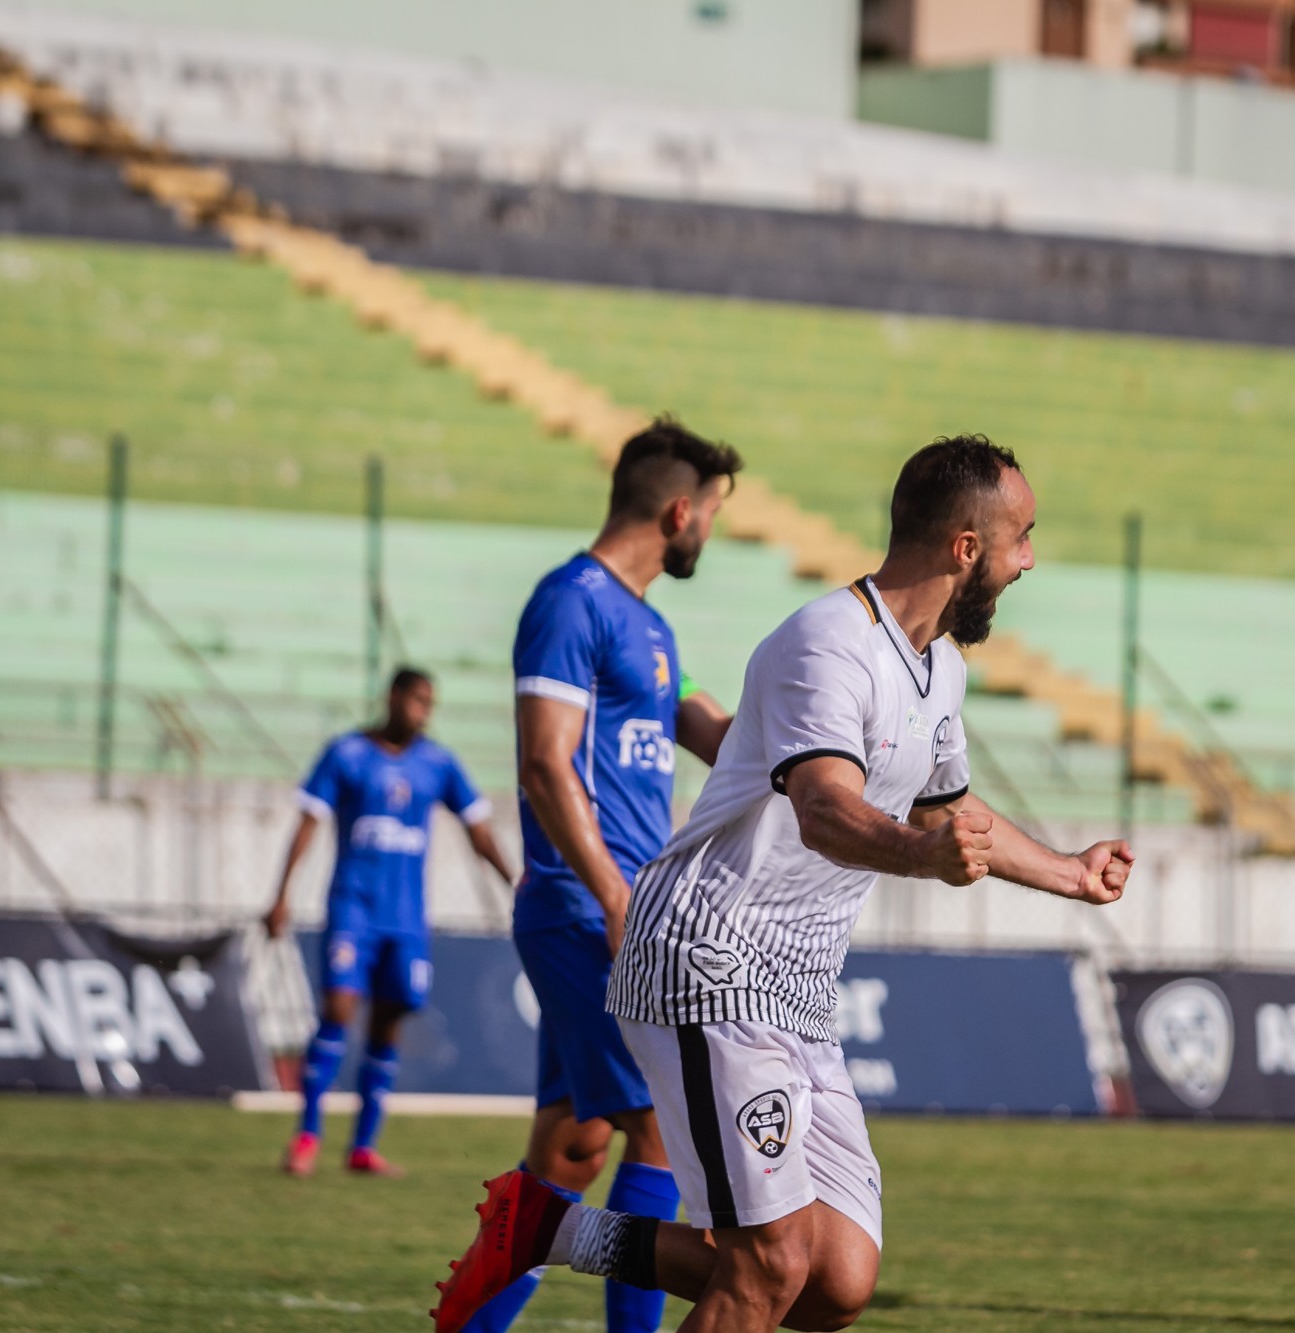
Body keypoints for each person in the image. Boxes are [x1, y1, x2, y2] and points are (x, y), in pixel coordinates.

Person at [430, 435, 1133, 1333]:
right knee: (767, 1263)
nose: (1029, 557)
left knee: (835, 1280)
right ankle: (549, 1226)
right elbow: (824, 810)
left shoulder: (941, 667)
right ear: (966, 547)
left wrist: (1069, 873)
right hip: (705, 956)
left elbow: (945, 808)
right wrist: (927, 857)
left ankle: (548, 1224)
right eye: (1023, 537)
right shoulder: (826, 643)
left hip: (797, 990)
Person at [471, 418, 742, 1333]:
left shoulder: (646, 621)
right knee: (665, 1127)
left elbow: (710, 728)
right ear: (678, 511)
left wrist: (821, 750)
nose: (713, 529)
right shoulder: (570, 601)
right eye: (712, 513)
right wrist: (615, 893)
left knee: (572, 1150)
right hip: (589, 908)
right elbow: (547, 764)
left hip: (614, 909)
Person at [265, 666, 514, 1177]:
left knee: (390, 1021)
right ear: (394, 697)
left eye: (430, 704)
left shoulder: (437, 762)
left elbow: (477, 827)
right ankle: (308, 1134)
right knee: (338, 1009)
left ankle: (363, 1146)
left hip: (406, 920)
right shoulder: (347, 754)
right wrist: (281, 896)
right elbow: (307, 824)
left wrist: (518, 881)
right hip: (352, 909)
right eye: (418, 700)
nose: (423, 711)